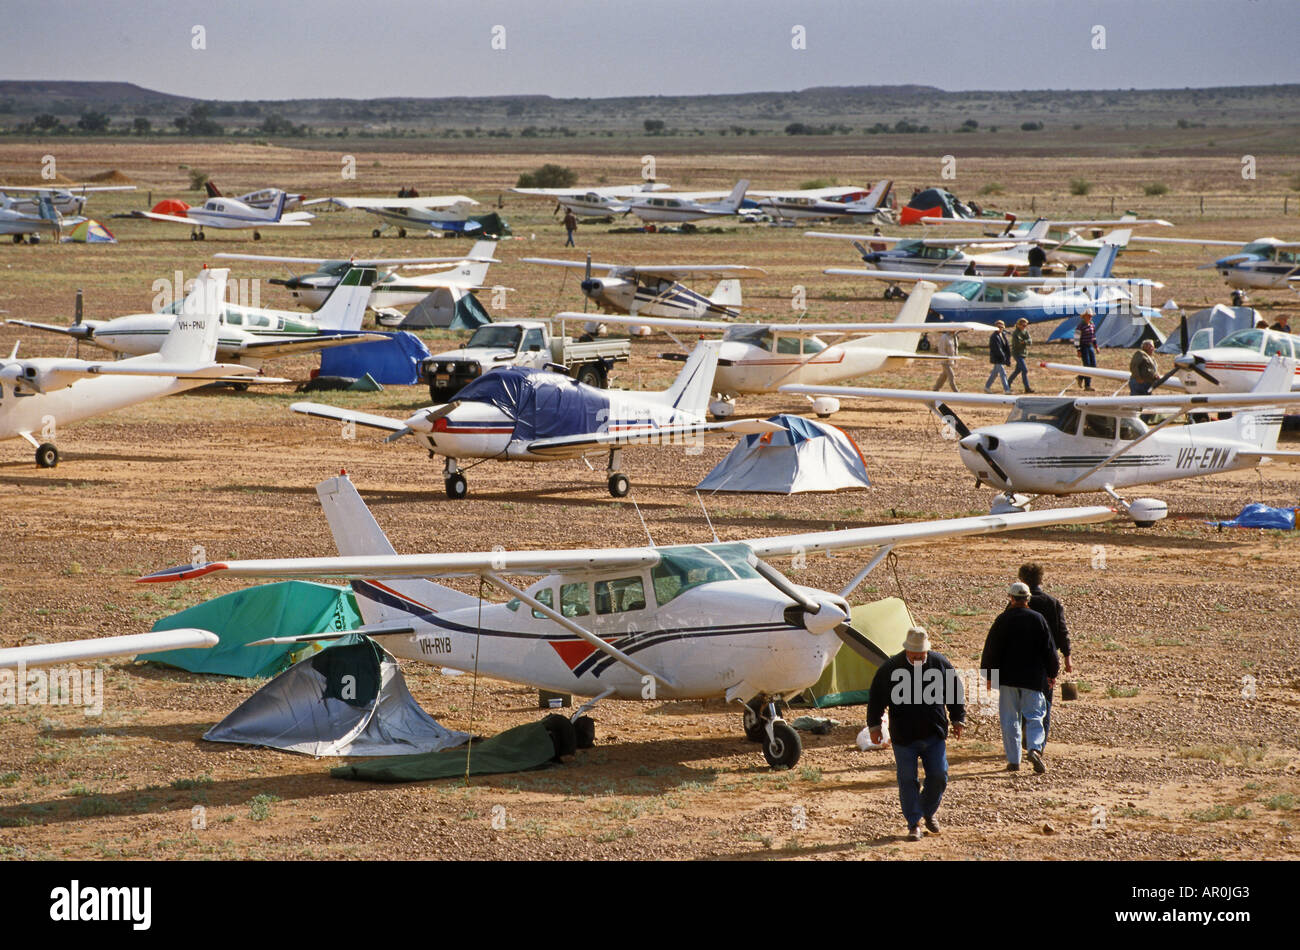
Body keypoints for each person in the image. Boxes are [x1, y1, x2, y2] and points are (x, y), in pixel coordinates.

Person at [866, 626, 965, 840]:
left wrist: (958, 719)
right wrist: (874, 727)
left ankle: (927, 811)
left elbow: (955, 691)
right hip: (903, 737)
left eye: (922, 655)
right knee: (907, 779)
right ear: (907, 652)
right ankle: (914, 823)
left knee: (939, 776)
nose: (919, 658)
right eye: (914, 655)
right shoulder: (890, 668)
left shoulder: (940, 664)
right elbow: (876, 699)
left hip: (934, 733)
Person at [981, 581, 1059, 773]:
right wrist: (1052, 673)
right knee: (1034, 717)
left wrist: (989, 675)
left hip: (1007, 679)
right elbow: (1049, 649)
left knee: (1010, 720)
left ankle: (1014, 761)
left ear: (1011, 598)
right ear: (1028, 599)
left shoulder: (1002, 619)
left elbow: (991, 650)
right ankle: (1034, 749)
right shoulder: (1038, 619)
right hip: (1033, 679)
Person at [1018, 563, 1072, 747]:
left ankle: (1025, 738)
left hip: (1022, 660)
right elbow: (1062, 632)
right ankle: (1039, 744)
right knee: (1045, 702)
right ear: (1041, 579)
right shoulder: (1053, 603)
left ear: (1022, 580)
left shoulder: (1020, 602)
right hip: (1047, 660)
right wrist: (1067, 657)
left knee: (1023, 700)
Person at [1007, 317, 1033, 392]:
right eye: (1023, 325)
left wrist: (1024, 342)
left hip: (1023, 353)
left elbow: (1030, 341)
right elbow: (1017, 344)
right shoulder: (1016, 333)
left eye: (1025, 326)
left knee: (1018, 370)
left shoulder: (1025, 331)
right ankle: (1027, 388)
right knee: (1025, 370)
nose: (1024, 327)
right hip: (1017, 354)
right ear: (1018, 325)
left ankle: (1008, 383)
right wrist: (1025, 341)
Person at [985, 320, 1011, 393]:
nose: (1000, 328)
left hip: (1001, 358)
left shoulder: (1002, 335)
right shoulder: (994, 337)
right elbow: (997, 349)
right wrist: (1004, 358)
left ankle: (987, 387)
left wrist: (1007, 357)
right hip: (997, 358)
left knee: (994, 374)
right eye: (998, 327)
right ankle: (1007, 390)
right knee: (1003, 373)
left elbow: (1006, 347)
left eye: (1001, 327)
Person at [1074, 311, 1097, 389]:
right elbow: (1076, 339)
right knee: (1087, 366)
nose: (1090, 317)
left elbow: (1093, 336)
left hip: (1090, 346)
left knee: (1093, 366)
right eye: (1088, 316)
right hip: (1083, 347)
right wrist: (1078, 350)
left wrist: (1096, 346)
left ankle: (1080, 377)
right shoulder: (1080, 326)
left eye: (1091, 316)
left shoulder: (1092, 324)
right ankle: (1087, 385)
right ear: (1084, 316)